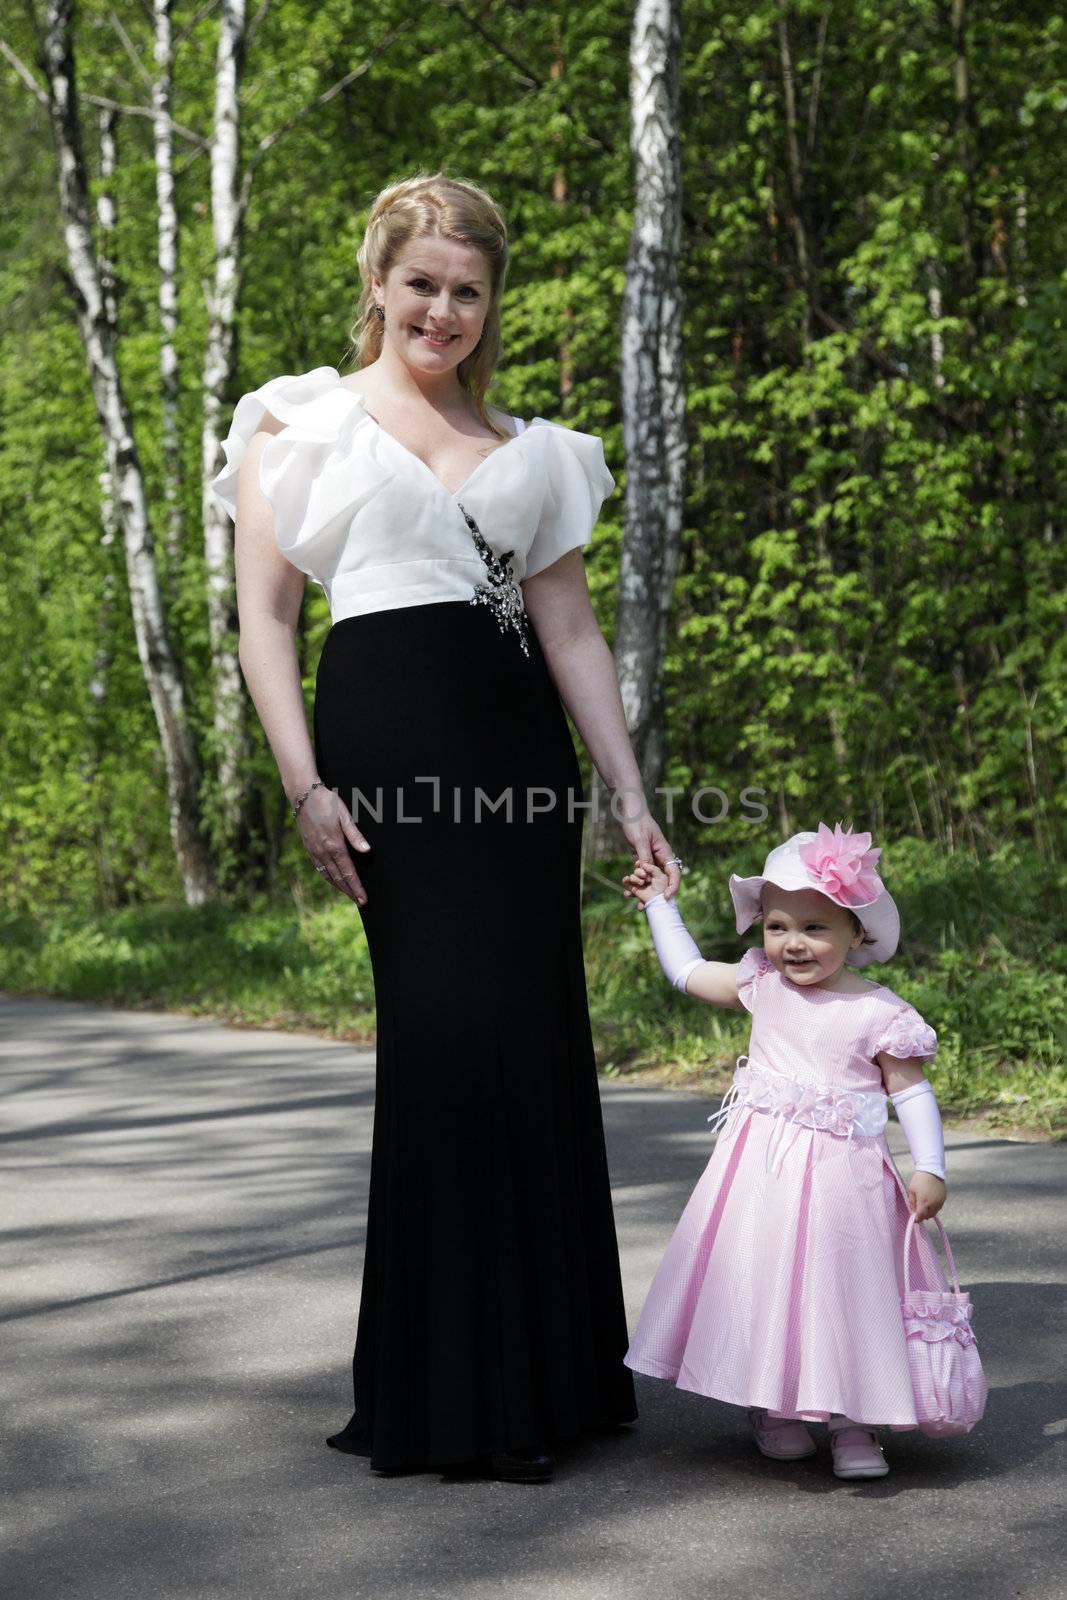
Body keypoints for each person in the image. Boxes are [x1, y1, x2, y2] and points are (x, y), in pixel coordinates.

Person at [210, 172, 682, 1482]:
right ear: (378, 281)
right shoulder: (296, 422)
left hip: (518, 772)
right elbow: (264, 620)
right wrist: (304, 784)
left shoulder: (532, 452)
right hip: (386, 764)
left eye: (466, 291)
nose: (442, 310)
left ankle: (552, 1381)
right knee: (447, 1046)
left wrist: (628, 797)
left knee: (530, 1042)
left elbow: (570, 630)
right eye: (421, 283)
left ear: (489, 302)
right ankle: (452, 1394)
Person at [620, 821, 979, 1480]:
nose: (792, 943)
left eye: (814, 928)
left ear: (855, 934)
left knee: (845, 1292)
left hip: (847, 1182)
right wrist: (657, 904)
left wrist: (930, 1166)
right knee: (767, 1285)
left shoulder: (878, 1011)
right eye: (776, 925)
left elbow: (912, 1094)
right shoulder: (760, 984)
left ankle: (851, 1421)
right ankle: (774, 1409)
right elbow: (687, 972)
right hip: (759, 1174)